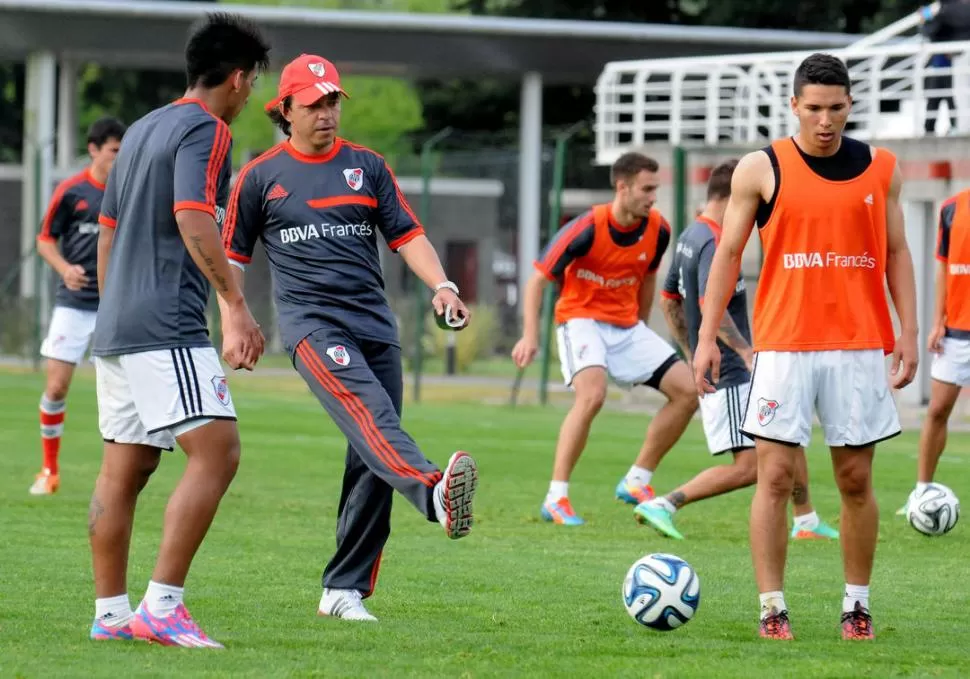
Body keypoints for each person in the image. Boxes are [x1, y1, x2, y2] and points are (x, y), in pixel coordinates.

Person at [222, 54, 479, 622]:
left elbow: (407, 234)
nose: (326, 113)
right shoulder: (260, 176)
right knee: (372, 418)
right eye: (313, 104)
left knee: (370, 452)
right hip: (312, 326)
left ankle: (343, 590)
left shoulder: (368, 166)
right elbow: (231, 257)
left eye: (332, 101)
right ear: (285, 110)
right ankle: (434, 491)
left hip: (375, 326)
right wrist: (235, 319)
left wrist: (442, 285)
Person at [692, 53, 919, 641]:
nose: (825, 120)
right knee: (773, 479)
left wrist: (909, 333)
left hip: (859, 346)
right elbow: (728, 256)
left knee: (854, 482)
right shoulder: (760, 168)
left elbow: (896, 252)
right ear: (794, 105)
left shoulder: (882, 167)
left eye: (836, 108)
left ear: (850, 106)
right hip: (784, 348)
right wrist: (706, 337)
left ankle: (857, 606)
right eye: (814, 108)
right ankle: (772, 608)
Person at [87, 13, 270, 648]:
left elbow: (107, 230)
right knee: (218, 451)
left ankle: (110, 614)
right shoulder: (206, 128)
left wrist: (115, 308)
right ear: (240, 79)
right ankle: (162, 607)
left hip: (117, 325)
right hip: (166, 323)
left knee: (125, 468)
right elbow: (194, 216)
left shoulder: (140, 129)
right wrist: (235, 305)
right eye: (253, 84)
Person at [635, 159, 839, 542]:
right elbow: (709, 300)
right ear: (732, 198)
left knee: (787, 436)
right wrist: (743, 352)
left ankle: (807, 520)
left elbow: (668, 301)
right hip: (731, 372)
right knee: (750, 467)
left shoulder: (690, 235)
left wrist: (692, 349)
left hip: (729, 366)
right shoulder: (714, 241)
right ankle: (663, 503)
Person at [511, 152, 698, 526]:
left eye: (655, 189)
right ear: (622, 187)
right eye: (647, 189)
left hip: (626, 327)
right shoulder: (586, 227)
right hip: (580, 321)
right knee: (592, 395)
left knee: (689, 391)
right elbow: (537, 280)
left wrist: (641, 326)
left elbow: (647, 277)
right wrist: (529, 335)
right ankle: (556, 498)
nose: (653, 197)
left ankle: (637, 480)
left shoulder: (658, 229)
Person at [30, 116, 126, 496]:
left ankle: (119, 478)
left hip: (114, 305)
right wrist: (64, 268)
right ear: (94, 149)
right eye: (113, 151)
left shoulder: (127, 191)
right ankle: (49, 470)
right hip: (73, 303)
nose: (118, 159)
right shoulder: (72, 192)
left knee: (122, 394)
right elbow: (44, 240)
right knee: (55, 387)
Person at [898, 189, 969, 514]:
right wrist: (938, 320)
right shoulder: (952, 207)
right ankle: (922, 492)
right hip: (955, 332)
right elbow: (944, 266)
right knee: (937, 411)